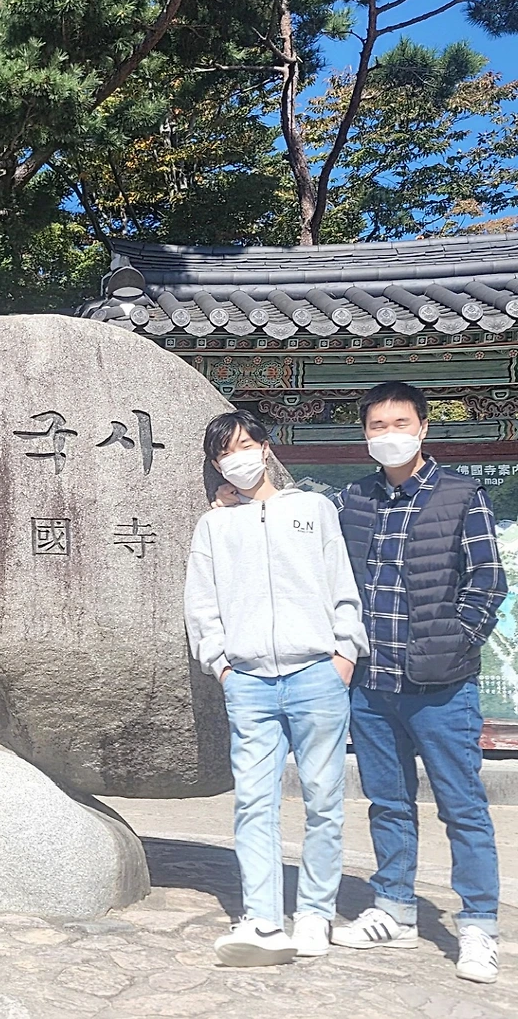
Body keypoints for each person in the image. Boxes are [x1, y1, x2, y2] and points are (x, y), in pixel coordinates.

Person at [324, 382, 508, 984]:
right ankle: (394, 908)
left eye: (399, 423)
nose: (388, 434)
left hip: (441, 688)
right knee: (388, 803)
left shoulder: (461, 495)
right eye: (376, 425)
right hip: (372, 685)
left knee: (463, 807)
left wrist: (455, 642)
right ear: (365, 434)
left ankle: (477, 924)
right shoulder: (353, 500)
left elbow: (488, 582)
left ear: (423, 428)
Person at [185, 410, 368, 967]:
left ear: (265, 447)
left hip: (317, 674)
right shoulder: (214, 526)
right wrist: (221, 666)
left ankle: (314, 912)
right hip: (250, 683)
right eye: (225, 453)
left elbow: (341, 585)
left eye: (245, 445)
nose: (237, 458)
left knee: (324, 800)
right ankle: (263, 917)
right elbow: (202, 603)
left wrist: (344, 654)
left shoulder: (313, 509)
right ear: (216, 464)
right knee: (253, 804)